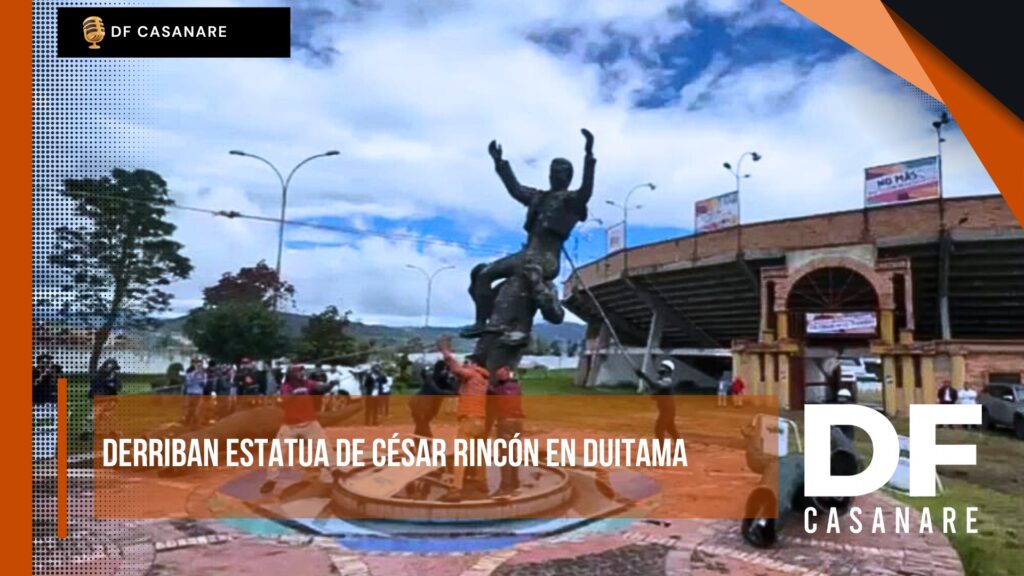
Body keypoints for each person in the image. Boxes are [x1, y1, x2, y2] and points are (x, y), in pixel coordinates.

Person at [461, 129, 595, 337]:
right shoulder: (538, 197)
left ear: (569, 177)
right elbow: (515, 189)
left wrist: (589, 155)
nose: (555, 175)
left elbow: (586, 190)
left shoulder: (572, 201)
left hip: (546, 259)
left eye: (561, 172)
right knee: (484, 274)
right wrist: (500, 163)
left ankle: (517, 325)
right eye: (553, 171)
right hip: (526, 254)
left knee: (499, 275)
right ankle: (481, 322)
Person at [260, 365, 332, 494]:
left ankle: (328, 478)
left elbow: (321, 387)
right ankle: (271, 479)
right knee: (278, 451)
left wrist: (330, 385)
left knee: (325, 448)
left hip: (310, 423)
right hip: (290, 425)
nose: (302, 373)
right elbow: (285, 400)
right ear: (291, 374)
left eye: (302, 370)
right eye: (299, 371)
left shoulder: (307, 383)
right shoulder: (285, 386)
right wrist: (295, 393)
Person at [438, 337, 488, 502]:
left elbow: (456, 369)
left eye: (468, 362)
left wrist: (446, 352)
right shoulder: (483, 378)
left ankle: (455, 490)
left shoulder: (472, 374)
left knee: (461, 454)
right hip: (481, 420)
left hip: (469, 419)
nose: (465, 364)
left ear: (475, 364)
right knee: (479, 453)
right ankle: (482, 482)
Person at [490, 365, 524, 497]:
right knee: (513, 453)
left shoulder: (498, 390)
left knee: (505, 456)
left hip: (505, 422)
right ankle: (515, 482)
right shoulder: (518, 387)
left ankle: (505, 486)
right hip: (518, 422)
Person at [90, 359, 122, 437]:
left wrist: (114, 389)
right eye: (113, 368)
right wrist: (107, 384)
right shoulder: (99, 376)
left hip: (110, 399)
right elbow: (94, 386)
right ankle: (89, 431)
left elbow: (118, 386)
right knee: (96, 415)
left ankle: (112, 430)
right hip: (100, 399)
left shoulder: (114, 376)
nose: (114, 371)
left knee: (109, 415)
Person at [651, 360, 680, 441]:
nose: (661, 368)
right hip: (666, 410)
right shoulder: (661, 380)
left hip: (667, 411)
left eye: (664, 367)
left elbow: (656, 386)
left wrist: (643, 376)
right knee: (671, 429)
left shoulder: (667, 381)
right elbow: (654, 396)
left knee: (659, 430)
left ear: (668, 371)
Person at [183, 357, 207, 427]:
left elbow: (204, 384)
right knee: (190, 407)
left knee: (197, 408)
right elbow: (188, 383)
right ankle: (188, 421)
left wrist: (201, 380)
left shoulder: (203, 374)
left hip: (198, 393)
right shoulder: (189, 372)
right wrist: (194, 376)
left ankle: (195, 422)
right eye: (197, 364)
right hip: (190, 392)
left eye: (200, 364)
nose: (198, 366)